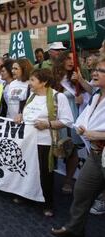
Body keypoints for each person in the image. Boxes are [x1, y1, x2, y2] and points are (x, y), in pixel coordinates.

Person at [51, 56, 105, 237]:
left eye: (101, 70)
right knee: (81, 191)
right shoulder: (97, 94)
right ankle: (74, 228)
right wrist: (84, 128)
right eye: (95, 69)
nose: (95, 73)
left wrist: (97, 135)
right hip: (96, 155)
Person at [15, 68, 73, 217]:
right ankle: (27, 195)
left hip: (45, 142)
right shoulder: (31, 97)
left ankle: (48, 203)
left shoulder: (58, 97)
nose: (29, 83)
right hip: (28, 142)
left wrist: (47, 124)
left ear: (44, 82)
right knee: (28, 170)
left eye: (33, 80)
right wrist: (20, 116)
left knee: (45, 173)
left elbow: (67, 121)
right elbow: (27, 114)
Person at [52, 51, 92, 194]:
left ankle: (68, 181)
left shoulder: (77, 78)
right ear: (61, 60)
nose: (71, 61)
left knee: (72, 150)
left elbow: (92, 97)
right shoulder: (53, 77)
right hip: (56, 118)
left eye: (73, 59)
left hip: (73, 117)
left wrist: (82, 98)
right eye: (68, 58)